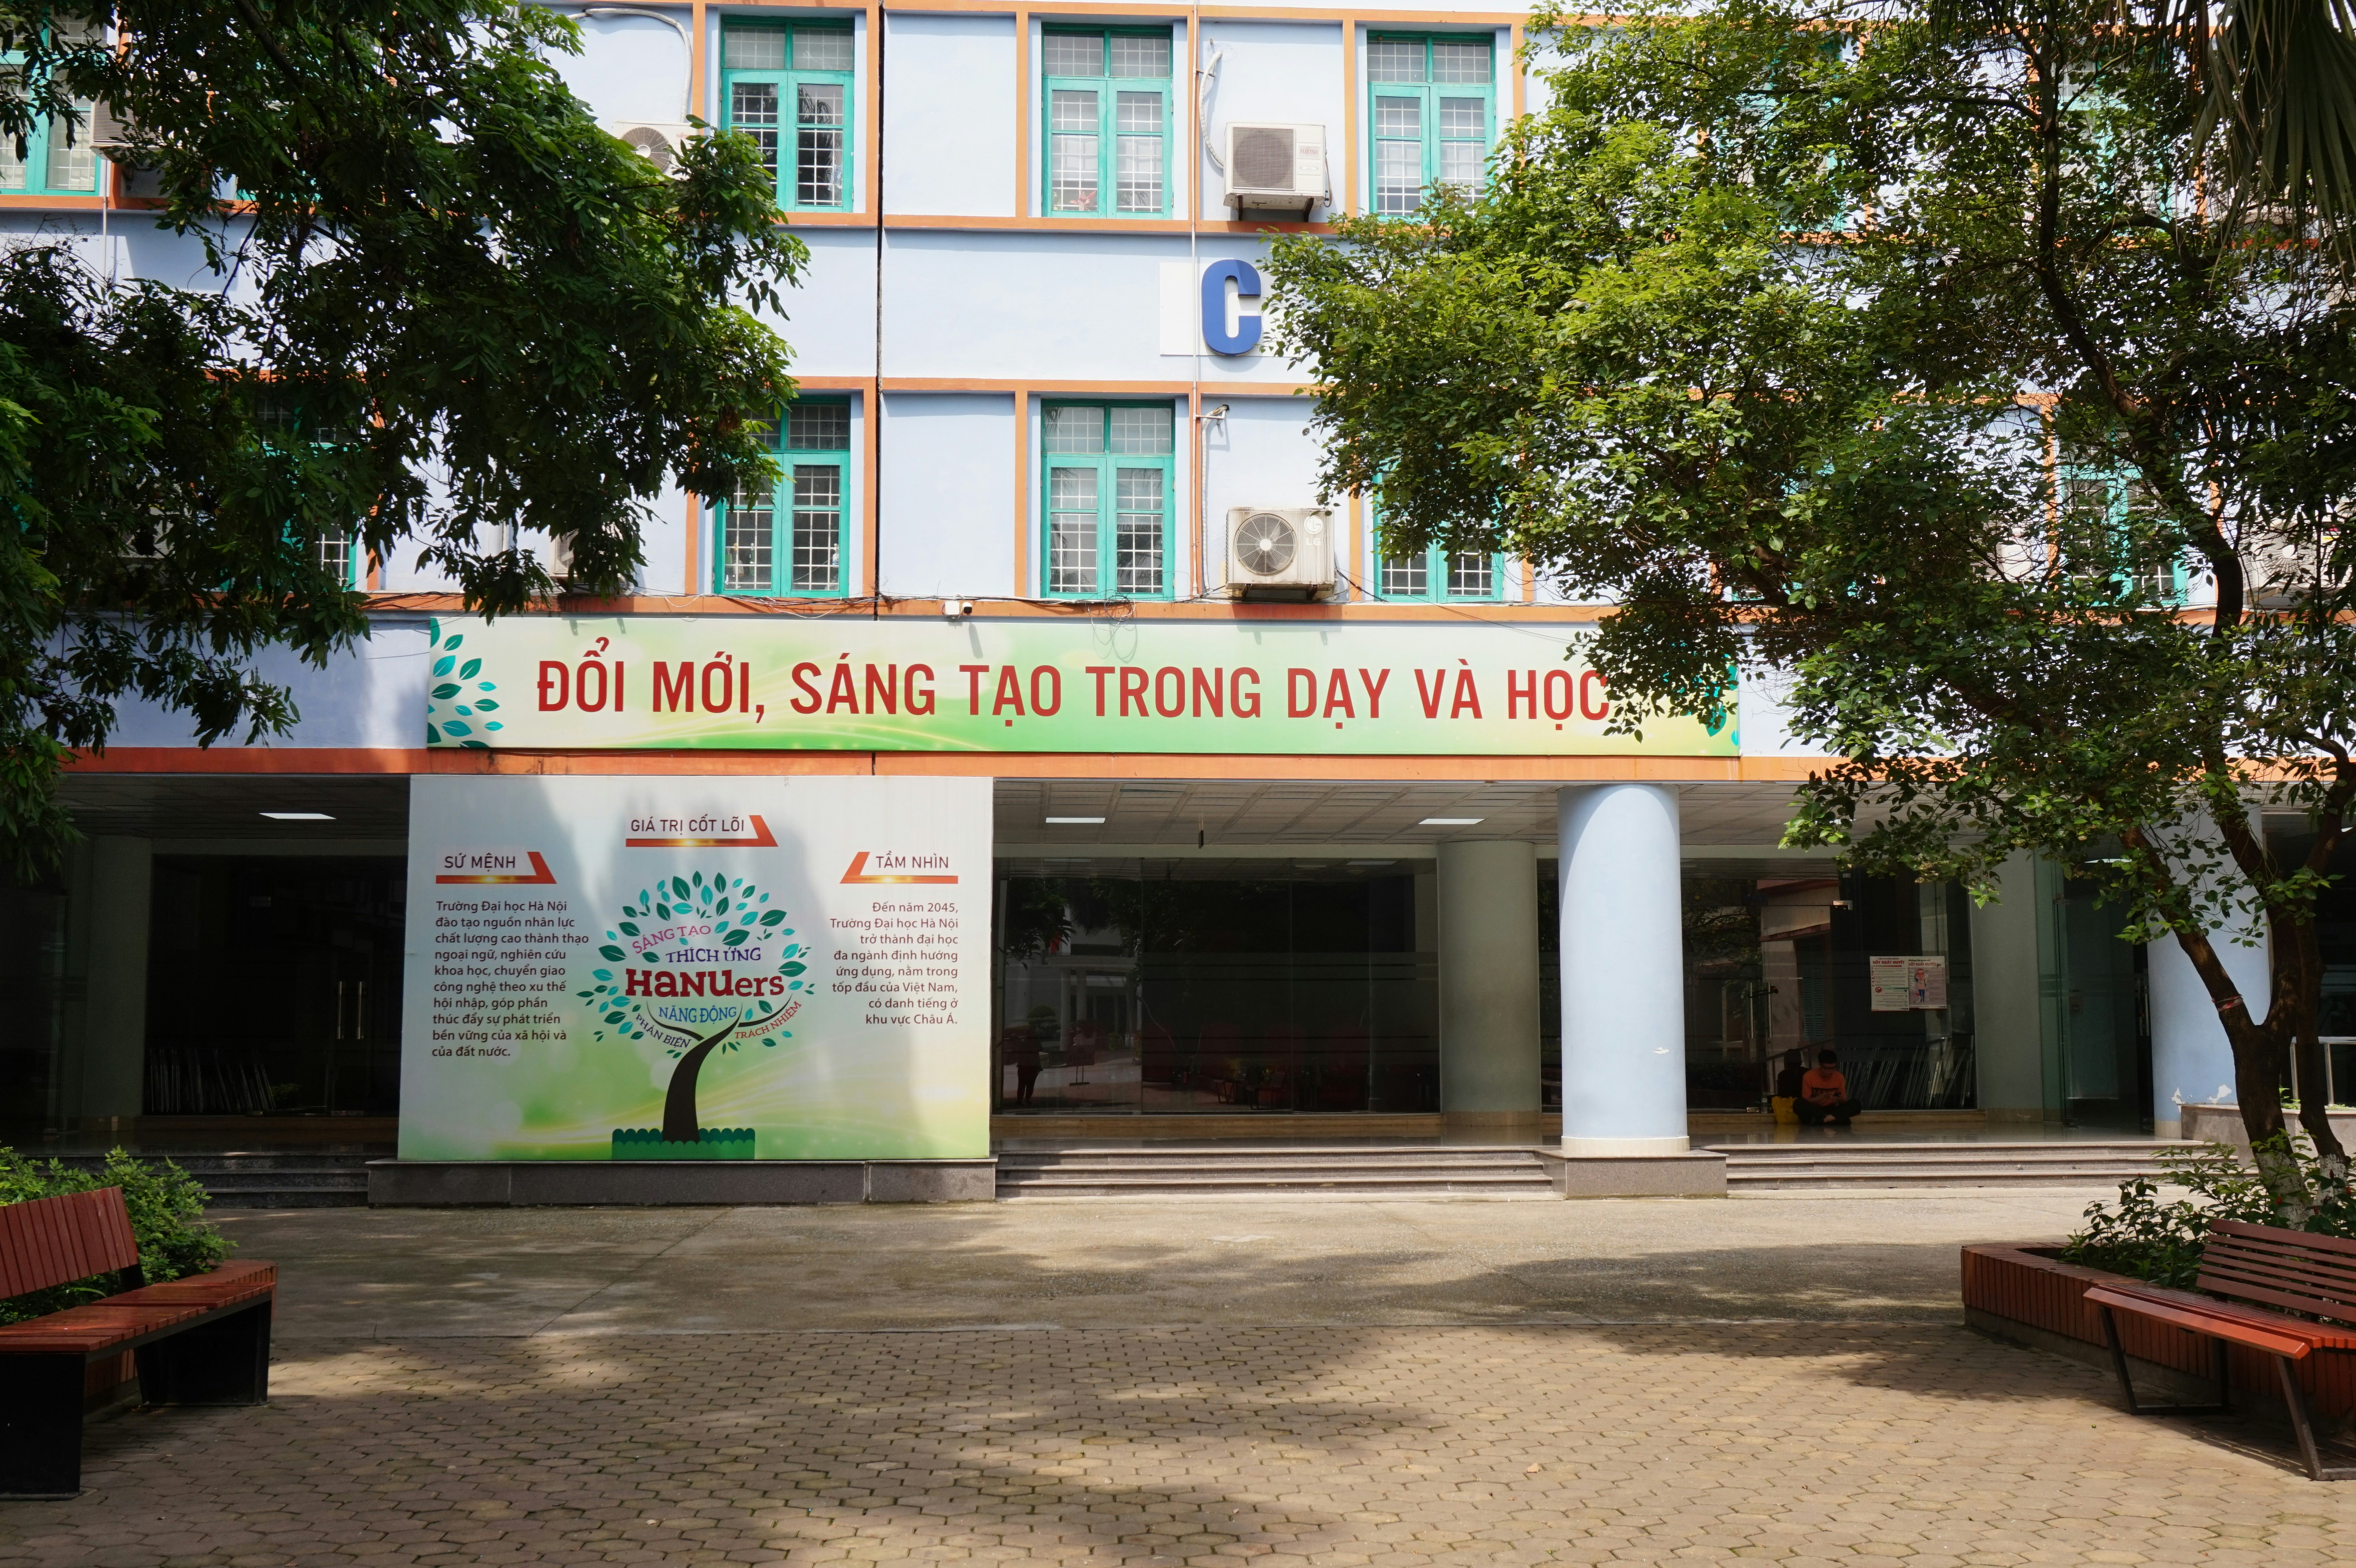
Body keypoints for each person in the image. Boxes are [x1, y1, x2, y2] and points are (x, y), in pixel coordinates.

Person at [1796, 1048, 1861, 1128]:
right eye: (1827, 1068)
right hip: (1816, 1110)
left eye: (1833, 1068)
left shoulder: (1839, 1077)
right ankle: (1831, 1119)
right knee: (1798, 1103)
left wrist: (1839, 1099)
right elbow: (1807, 1101)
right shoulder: (1809, 1076)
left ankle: (1824, 1120)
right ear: (1820, 1065)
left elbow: (1843, 1101)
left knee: (1856, 1104)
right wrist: (1823, 1096)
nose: (1831, 1071)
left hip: (1832, 1109)